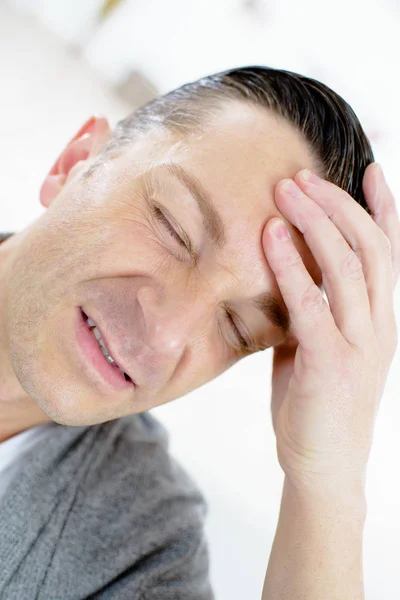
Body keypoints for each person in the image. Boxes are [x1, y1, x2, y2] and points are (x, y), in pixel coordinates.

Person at [0, 65, 398, 599]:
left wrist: (326, 485)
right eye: (173, 228)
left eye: (237, 328)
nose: (165, 336)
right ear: (75, 162)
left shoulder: (143, 548)